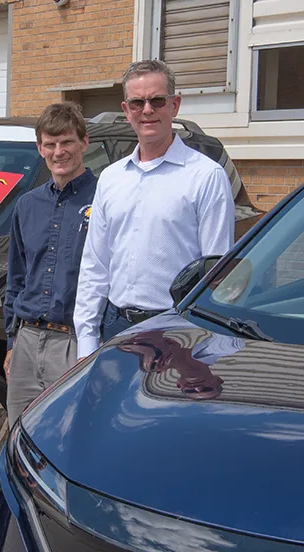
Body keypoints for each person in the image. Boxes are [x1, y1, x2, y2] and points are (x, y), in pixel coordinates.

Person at [73, 59, 236, 358]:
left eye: (157, 101)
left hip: (177, 331)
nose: (147, 110)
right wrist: (86, 342)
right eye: (137, 103)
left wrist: (210, 352)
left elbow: (216, 274)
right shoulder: (111, 178)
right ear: (126, 110)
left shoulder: (205, 176)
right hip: (116, 328)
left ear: (174, 105)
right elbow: (95, 266)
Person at [3, 102, 96, 422]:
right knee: (19, 433)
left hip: (75, 343)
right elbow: (16, 279)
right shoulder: (27, 205)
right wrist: (11, 341)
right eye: (50, 144)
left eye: (67, 142)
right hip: (26, 341)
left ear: (84, 142)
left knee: (67, 435)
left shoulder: (105, 200)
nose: (59, 152)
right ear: (40, 148)